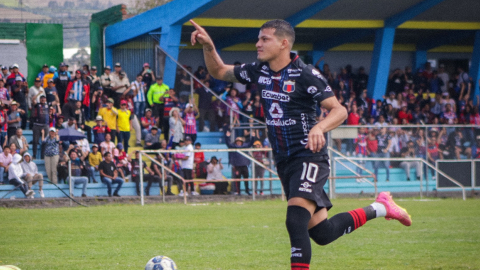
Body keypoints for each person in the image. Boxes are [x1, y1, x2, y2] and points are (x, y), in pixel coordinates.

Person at [190, 19, 411, 270]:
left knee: (295, 221)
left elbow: (340, 110)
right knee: (322, 233)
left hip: (309, 155)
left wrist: (319, 126)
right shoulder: (259, 69)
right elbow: (219, 71)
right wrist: (208, 46)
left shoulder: (306, 74)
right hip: (284, 160)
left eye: (265, 39)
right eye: (258, 38)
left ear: (284, 43)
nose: (257, 43)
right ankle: (380, 207)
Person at [224, 130, 254, 195]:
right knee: (238, 179)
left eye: (239, 141)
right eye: (237, 141)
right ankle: (238, 191)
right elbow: (228, 143)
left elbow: (250, 143)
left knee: (246, 178)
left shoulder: (245, 146)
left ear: (241, 142)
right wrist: (227, 136)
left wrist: (253, 137)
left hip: (244, 165)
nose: (238, 143)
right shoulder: (233, 146)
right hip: (237, 165)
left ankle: (247, 190)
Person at [32, 95, 50, 159]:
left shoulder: (48, 104)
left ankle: (43, 156)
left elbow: (56, 101)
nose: (43, 100)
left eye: (44, 98)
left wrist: (55, 95)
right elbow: (33, 100)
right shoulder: (37, 104)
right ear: (39, 99)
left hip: (45, 125)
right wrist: (38, 94)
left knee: (45, 141)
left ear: (45, 99)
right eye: (41, 98)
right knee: (35, 141)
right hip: (37, 125)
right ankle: (34, 155)